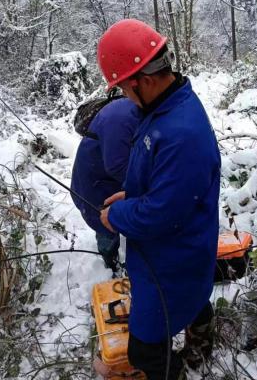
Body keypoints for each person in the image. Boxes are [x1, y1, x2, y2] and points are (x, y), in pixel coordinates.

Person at [97, 19, 221, 379]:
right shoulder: (168, 106)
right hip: (180, 252)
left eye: (124, 87)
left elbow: (161, 214)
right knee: (194, 301)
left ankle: (176, 371)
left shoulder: (180, 132)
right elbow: (169, 181)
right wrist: (134, 193)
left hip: (172, 260)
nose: (124, 95)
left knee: (145, 350)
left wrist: (117, 215)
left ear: (144, 80)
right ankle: (201, 347)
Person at [70, 95, 140, 271]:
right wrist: (148, 188)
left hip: (102, 180)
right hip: (94, 188)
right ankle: (110, 261)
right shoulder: (120, 119)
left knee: (113, 218)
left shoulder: (129, 110)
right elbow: (118, 166)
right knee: (105, 225)